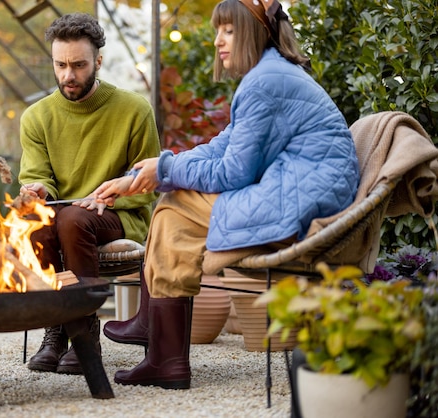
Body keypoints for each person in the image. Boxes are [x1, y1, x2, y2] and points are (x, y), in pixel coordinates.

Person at [93, 0, 360, 390]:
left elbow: (233, 172)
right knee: (172, 210)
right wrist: (145, 171)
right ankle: (160, 347)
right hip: (303, 191)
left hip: (303, 202)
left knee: (174, 208)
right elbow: (221, 146)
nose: (218, 40)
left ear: (253, 33)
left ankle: (162, 349)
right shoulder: (268, 75)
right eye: (218, 30)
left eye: (228, 31)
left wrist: (163, 170)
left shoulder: (265, 82)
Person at [18, 13, 161, 375]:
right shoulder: (36, 117)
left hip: (120, 214)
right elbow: (37, 176)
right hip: (66, 217)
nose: (68, 75)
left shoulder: (134, 109)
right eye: (61, 65)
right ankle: (58, 329)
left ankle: (84, 334)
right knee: (43, 222)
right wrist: (36, 190)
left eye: (79, 65)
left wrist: (109, 196)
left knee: (72, 220)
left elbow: (148, 181)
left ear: (98, 61)